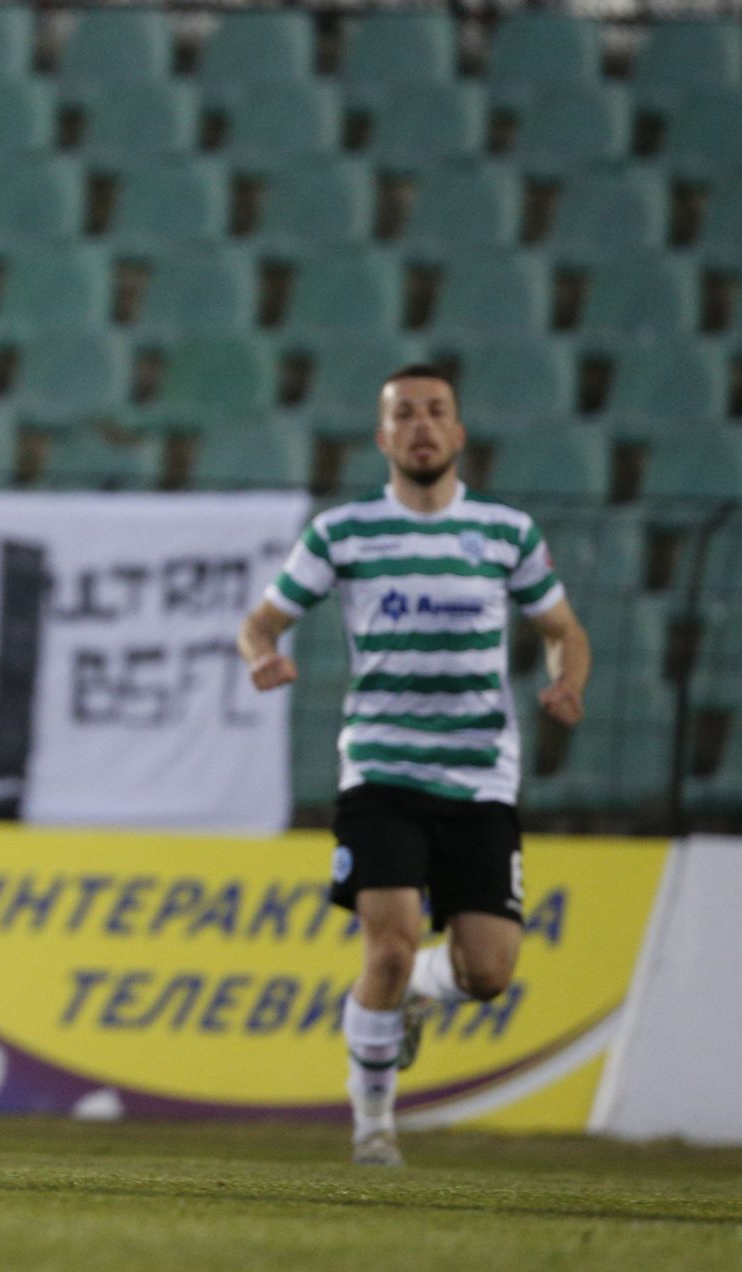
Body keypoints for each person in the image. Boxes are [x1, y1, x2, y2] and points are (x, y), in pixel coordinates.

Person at [237, 363, 591, 1166]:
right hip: (381, 770)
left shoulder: (506, 533)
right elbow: (260, 622)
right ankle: (374, 1131)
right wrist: (261, 655)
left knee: (488, 973)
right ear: (382, 436)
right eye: (404, 414)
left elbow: (563, 628)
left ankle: (424, 993)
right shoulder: (343, 533)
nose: (421, 425)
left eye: (435, 411)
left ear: (458, 432)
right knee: (388, 948)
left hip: (480, 775)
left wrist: (568, 677)